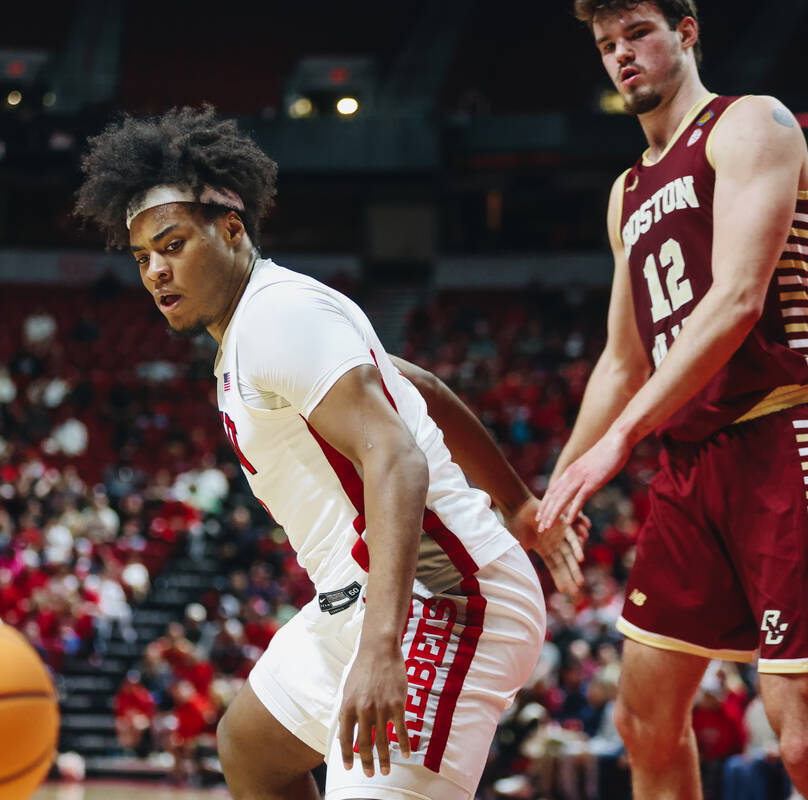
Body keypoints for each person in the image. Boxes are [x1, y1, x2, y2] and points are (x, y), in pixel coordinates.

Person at [76, 107, 585, 800]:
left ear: (231, 230)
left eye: (173, 245)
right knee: (250, 749)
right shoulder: (258, 323)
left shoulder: (277, 316)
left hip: (445, 600)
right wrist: (520, 503)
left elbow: (398, 458)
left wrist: (381, 648)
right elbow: (421, 386)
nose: (157, 272)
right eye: (143, 258)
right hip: (361, 600)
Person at [537, 2, 808, 798]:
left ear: (686, 31)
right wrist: (558, 487)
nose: (622, 55)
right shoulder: (627, 191)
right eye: (607, 44)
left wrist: (619, 441)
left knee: (803, 743)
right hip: (692, 464)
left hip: (787, 436)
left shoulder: (752, 123)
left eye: (639, 34)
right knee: (643, 721)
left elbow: (737, 300)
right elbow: (622, 360)